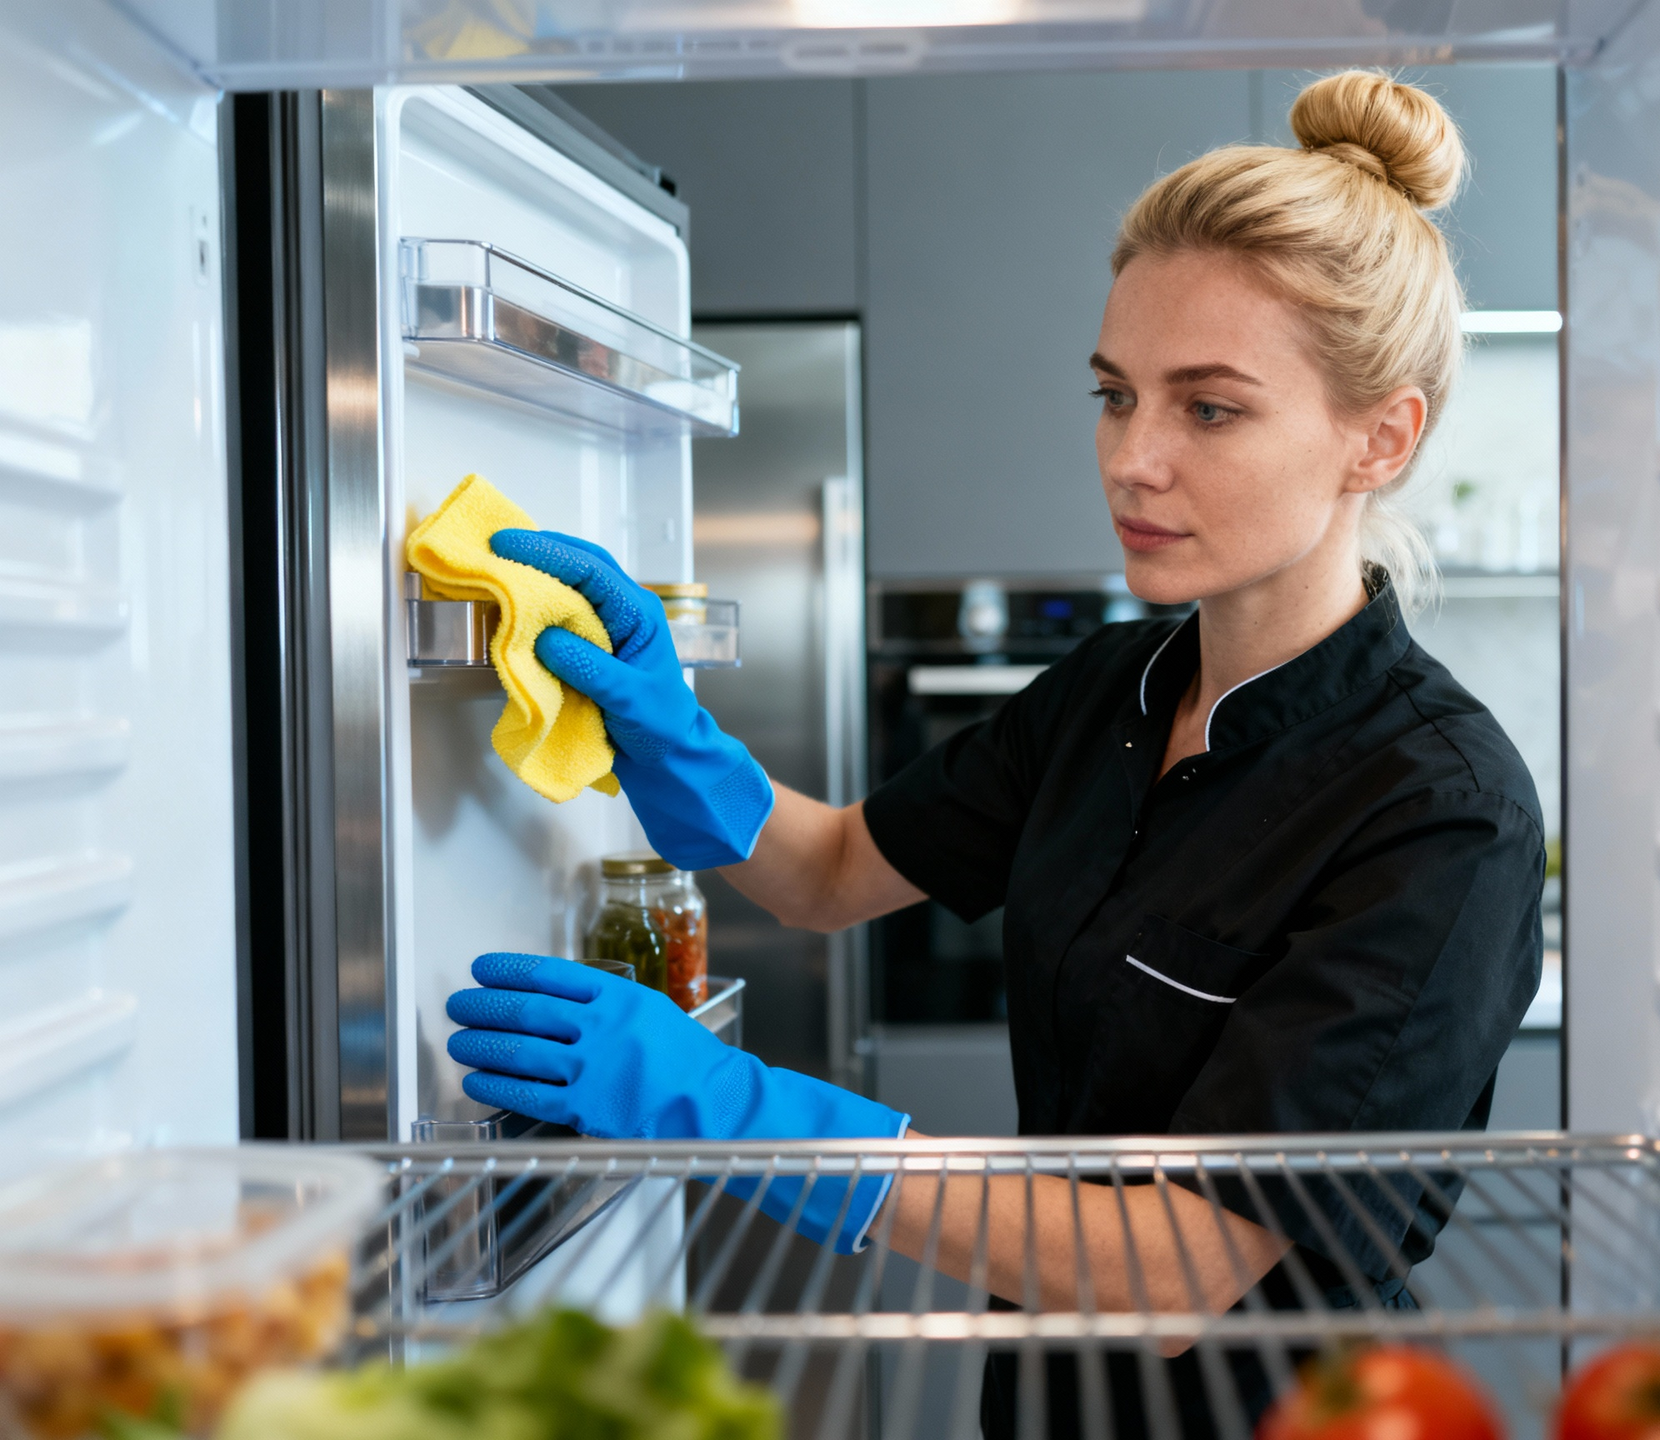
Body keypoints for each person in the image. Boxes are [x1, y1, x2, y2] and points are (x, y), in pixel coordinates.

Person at [444, 69, 1544, 1438]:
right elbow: (835, 870)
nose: (1132, 459)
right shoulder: (1110, 689)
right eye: (1112, 392)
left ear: (1380, 436)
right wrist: (676, 744)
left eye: (1208, 409)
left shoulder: (1439, 814)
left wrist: (739, 1109)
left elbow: (1172, 1275)